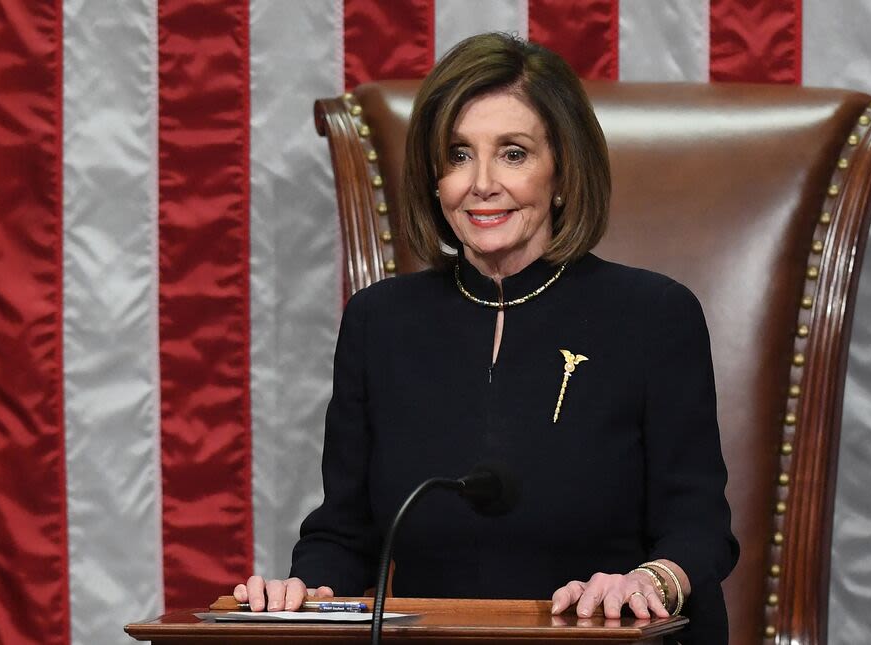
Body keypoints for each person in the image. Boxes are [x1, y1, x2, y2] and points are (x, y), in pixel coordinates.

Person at [234, 32, 739, 643]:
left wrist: (649, 582)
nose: (481, 183)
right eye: (457, 154)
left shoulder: (655, 315)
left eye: (514, 153)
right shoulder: (379, 323)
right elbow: (346, 530)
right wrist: (303, 593)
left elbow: (699, 525)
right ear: (434, 179)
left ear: (563, 170)